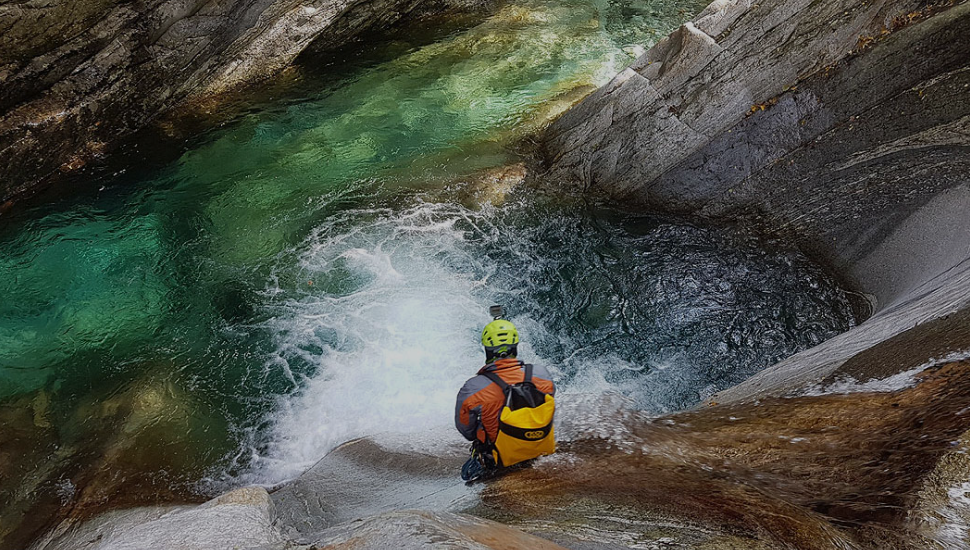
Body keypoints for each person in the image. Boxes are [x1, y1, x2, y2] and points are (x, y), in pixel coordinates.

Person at [455, 314, 556, 480]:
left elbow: (466, 430)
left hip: (499, 460)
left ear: (487, 348)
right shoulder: (541, 374)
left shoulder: (473, 387)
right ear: (515, 345)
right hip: (539, 448)